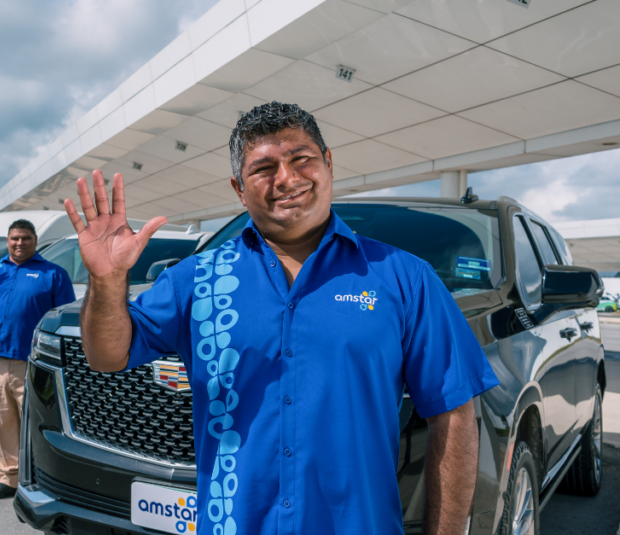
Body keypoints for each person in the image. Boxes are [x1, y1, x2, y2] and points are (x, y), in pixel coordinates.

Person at [65, 102, 500, 535]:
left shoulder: (405, 279)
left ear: (327, 163)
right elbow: (106, 355)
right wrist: (107, 279)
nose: (286, 179)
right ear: (239, 187)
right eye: (264, 168)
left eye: (301, 159)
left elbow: (454, 415)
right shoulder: (196, 280)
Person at [0, 220, 76, 500]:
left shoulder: (53, 274)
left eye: (26, 238)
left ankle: (45, 480)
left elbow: (64, 318)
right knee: (2, 422)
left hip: (33, 361)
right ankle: (9, 479)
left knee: (38, 423)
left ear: (35, 240)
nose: (20, 243)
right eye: (15, 238)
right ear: (8, 240)